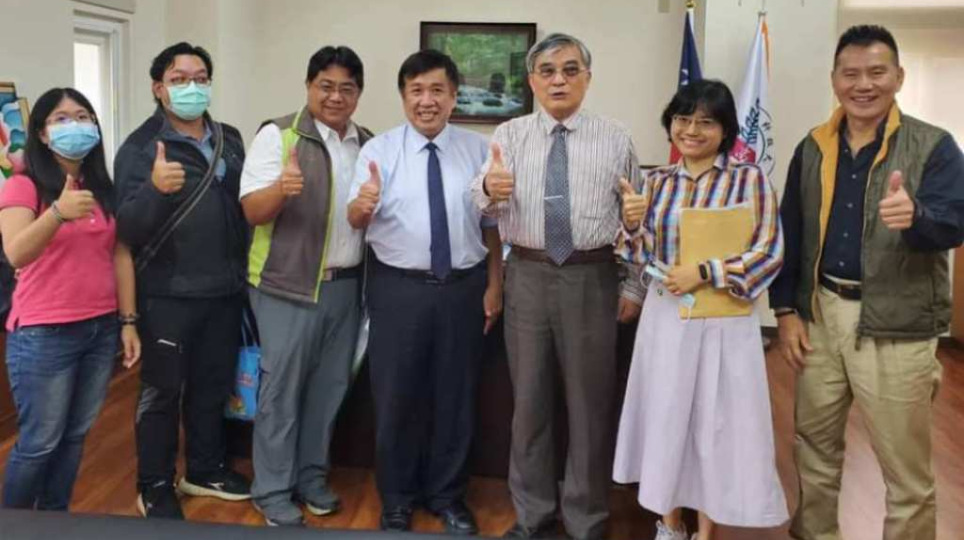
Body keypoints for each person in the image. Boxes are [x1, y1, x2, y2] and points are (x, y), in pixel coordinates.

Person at [769, 25, 964, 540]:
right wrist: (786, 311)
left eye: (877, 72)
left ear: (899, 77)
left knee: (904, 468)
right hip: (821, 316)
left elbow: (956, 222)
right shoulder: (813, 147)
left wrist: (918, 216)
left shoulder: (934, 146)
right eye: (851, 73)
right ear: (834, 79)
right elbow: (791, 231)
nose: (863, 84)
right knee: (813, 445)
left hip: (898, 325)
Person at [469, 33, 644, 540]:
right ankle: (533, 515)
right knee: (529, 404)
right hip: (527, 275)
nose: (559, 80)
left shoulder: (616, 138)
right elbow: (480, 201)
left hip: (593, 276)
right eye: (547, 71)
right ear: (532, 81)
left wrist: (634, 287)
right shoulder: (510, 135)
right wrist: (489, 188)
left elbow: (637, 219)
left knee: (590, 406)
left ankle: (587, 519)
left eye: (570, 70)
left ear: (587, 78)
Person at [611, 79, 788, 540]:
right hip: (667, 318)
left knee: (717, 425)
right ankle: (670, 524)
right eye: (682, 119)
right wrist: (631, 224)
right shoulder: (656, 181)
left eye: (706, 122)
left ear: (725, 130)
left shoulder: (748, 180)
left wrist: (706, 272)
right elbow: (638, 256)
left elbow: (769, 251)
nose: (691, 130)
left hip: (726, 320)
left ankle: (706, 530)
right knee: (666, 417)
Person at [347, 49, 503, 535]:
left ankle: (447, 496)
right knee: (396, 397)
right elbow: (355, 217)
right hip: (399, 290)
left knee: (456, 397)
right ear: (403, 97)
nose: (426, 100)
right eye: (416, 91)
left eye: (437, 90)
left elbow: (492, 226)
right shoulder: (379, 151)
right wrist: (363, 204)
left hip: (463, 289)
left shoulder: (478, 150)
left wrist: (495, 286)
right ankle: (396, 498)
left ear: (454, 97)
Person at [114, 42, 250, 519]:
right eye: (179, 79)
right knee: (162, 393)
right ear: (159, 88)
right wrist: (155, 191)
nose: (192, 87)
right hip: (167, 295)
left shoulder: (230, 138)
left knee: (213, 386)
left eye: (200, 78)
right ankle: (153, 484)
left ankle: (205, 469)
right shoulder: (140, 148)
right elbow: (126, 230)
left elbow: (244, 208)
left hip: (225, 290)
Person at [240, 45, 374, 527]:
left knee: (328, 390)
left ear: (358, 93)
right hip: (286, 287)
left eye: (347, 88)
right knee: (281, 393)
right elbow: (252, 211)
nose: (335, 97)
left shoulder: (367, 143)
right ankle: (271, 489)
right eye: (326, 86)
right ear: (309, 86)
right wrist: (281, 189)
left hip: (347, 287)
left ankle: (310, 477)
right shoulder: (277, 135)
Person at [0, 87, 140, 510]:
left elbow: (120, 254)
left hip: (99, 329)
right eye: (61, 119)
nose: (75, 125)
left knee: (76, 436)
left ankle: (55, 520)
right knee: (40, 442)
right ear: (42, 134)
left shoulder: (101, 188)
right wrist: (57, 213)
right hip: (44, 333)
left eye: (83, 117)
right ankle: (14, 525)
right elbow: (15, 253)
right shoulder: (23, 185)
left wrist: (128, 321)